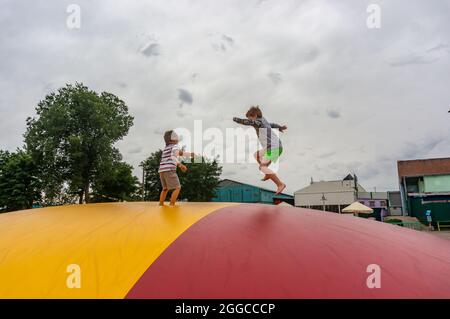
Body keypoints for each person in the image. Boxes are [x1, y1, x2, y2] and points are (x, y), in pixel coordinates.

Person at [233, 106, 287, 194]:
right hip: (270, 147)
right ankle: (267, 173)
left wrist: (236, 119)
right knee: (256, 155)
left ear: (255, 115)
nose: (250, 121)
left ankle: (280, 184)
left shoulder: (258, 122)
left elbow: (247, 122)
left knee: (262, 167)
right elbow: (272, 125)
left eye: (250, 118)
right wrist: (279, 127)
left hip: (274, 147)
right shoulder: (264, 120)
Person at [158, 130, 194, 206]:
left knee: (165, 188)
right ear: (172, 139)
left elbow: (172, 158)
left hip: (161, 170)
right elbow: (178, 153)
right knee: (177, 187)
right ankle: (172, 204)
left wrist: (180, 165)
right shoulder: (174, 147)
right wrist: (190, 154)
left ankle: (161, 204)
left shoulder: (165, 149)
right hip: (169, 170)